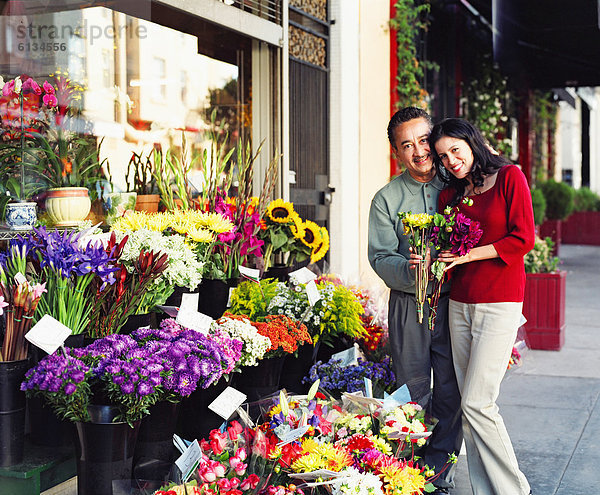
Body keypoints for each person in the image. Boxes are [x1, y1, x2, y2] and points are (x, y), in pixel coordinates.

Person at [430, 118, 534, 495]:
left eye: (456, 150)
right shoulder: (452, 195)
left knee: (478, 402)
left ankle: (514, 490)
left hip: (500, 298)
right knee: (468, 406)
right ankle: (484, 490)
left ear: (472, 142)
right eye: (443, 156)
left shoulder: (510, 177)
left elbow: (523, 238)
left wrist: (469, 254)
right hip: (460, 303)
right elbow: (448, 243)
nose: (451, 160)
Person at [368, 107, 463, 494]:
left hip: (454, 304)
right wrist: (409, 270)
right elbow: (379, 256)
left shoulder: (456, 186)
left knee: (451, 391)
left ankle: (440, 469)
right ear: (396, 152)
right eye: (407, 145)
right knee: (412, 390)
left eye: (423, 140)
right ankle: (406, 470)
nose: (419, 150)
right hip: (409, 306)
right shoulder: (387, 198)